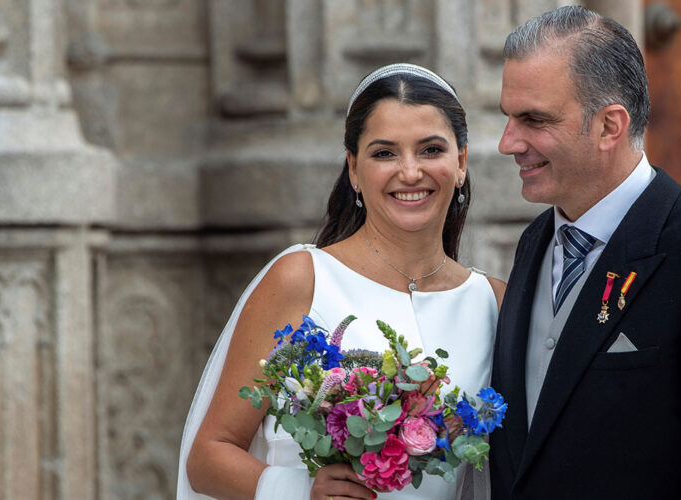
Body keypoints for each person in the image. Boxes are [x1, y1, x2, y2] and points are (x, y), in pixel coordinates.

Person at [489, 6, 681, 499]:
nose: (508, 143)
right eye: (508, 117)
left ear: (610, 126)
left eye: (534, 120)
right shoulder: (535, 242)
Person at [177, 63, 506, 500]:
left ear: (460, 162)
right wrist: (300, 489)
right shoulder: (303, 278)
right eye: (384, 153)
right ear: (353, 169)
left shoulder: (493, 303)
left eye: (430, 150)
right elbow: (207, 457)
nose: (410, 172)